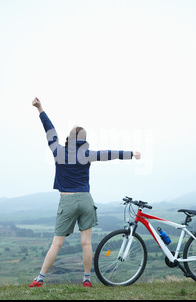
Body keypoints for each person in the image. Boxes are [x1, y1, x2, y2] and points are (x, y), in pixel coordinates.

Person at [29, 97, 141, 288]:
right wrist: (131, 154)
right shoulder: (87, 155)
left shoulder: (58, 151)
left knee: (57, 243)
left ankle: (40, 278)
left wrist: (40, 108)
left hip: (68, 200)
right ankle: (87, 279)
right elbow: (109, 154)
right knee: (86, 242)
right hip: (86, 200)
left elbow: (49, 129)